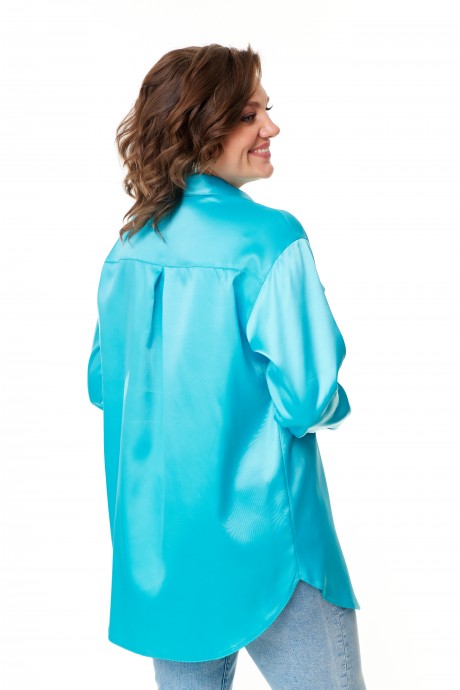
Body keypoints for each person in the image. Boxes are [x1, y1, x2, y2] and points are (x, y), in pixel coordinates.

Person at [87, 43, 367, 689]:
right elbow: (307, 398)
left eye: (266, 110)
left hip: (164, 555)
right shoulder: (270, 237)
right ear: (198, 125)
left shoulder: (128, 247)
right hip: (272, 545)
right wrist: (338, 405)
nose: (271, 127)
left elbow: (104, 384)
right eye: (248, 115)